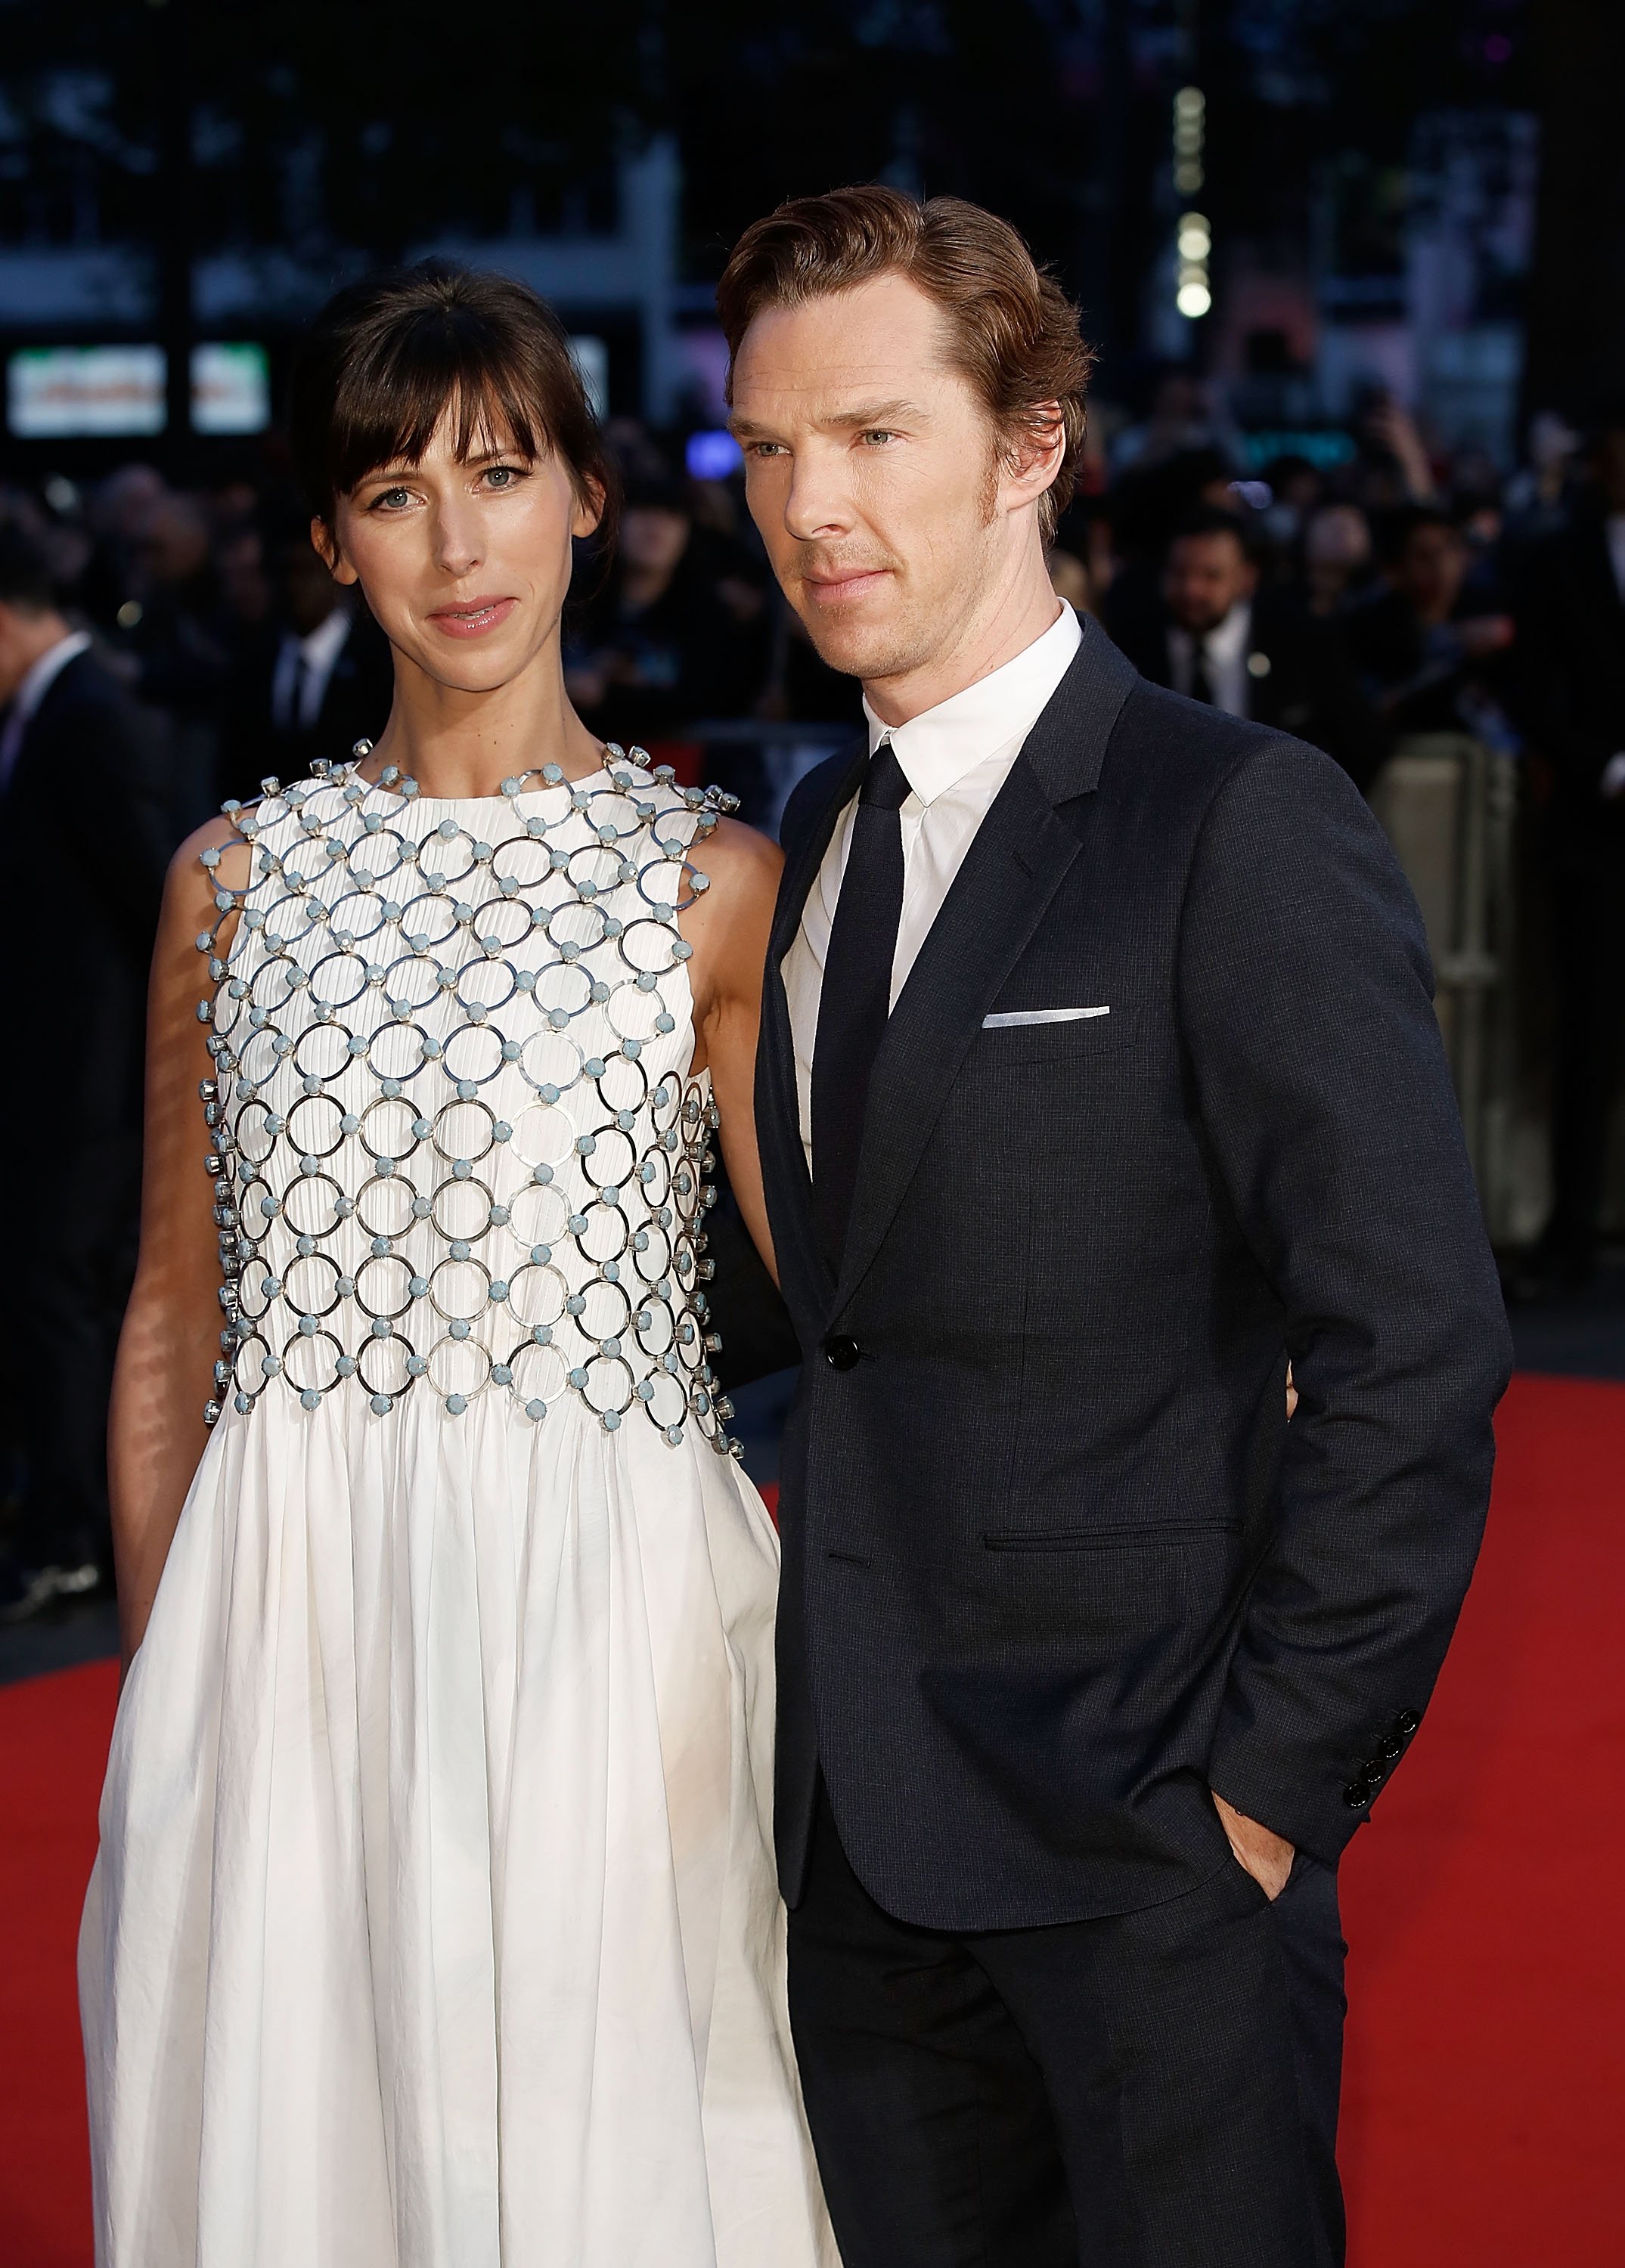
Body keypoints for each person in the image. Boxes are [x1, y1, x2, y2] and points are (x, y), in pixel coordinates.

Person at [719, 184, 1510, 2268]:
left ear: (1029, 446)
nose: (813, 504)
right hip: (864, 1857)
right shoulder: (812, 832)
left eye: (875, 433)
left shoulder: (1228, 819)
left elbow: (1407, 1344)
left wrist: (1260, 1791)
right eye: (771, 448)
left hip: (1149, 1853)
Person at [79, 262, 836, 2268]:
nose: (457, 539)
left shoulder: (715, 888)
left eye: (500, 473)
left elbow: (855, 1314)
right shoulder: (229, 885)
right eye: (395, 492)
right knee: (313, 2165)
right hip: (287, 1639)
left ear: (588, 494)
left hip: (618, 1635)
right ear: (332, 540)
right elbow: (175, 1319)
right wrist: (175, 1687)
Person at [0, 524, 175, 1622]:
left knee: (64, 1302)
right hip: (60, 1082)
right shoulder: (55, 715)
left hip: (94, 1086)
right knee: (51, 1298)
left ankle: (81, 1533)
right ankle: (69, 1519)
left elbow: (153, 900)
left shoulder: (88, 718)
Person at [1511, 408, 1625, 1290]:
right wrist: (1607, 768)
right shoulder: (1558, 555)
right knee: (1587, 1040)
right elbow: (1531, 690)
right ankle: (1572, 1233)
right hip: (1595, 834)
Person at [1113, 503, 1385, 790]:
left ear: (1246, 578)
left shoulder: (1300, 641)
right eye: (1180, 573)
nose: (1192, 590)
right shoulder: (1133, 643)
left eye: (1211, 576)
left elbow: (1361, 743)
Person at [220, 510, 394, 803]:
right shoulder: (252, 661)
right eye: (284, 572)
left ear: (333, 572)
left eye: (306, 571)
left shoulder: (380, 658)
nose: (295, 585)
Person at [1345, 502, 1515, 740]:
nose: (1443, 566)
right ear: (1393, 572)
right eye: (1425, 557)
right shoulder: (1369, 631)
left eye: (1450, 548)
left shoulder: (1486, 607)